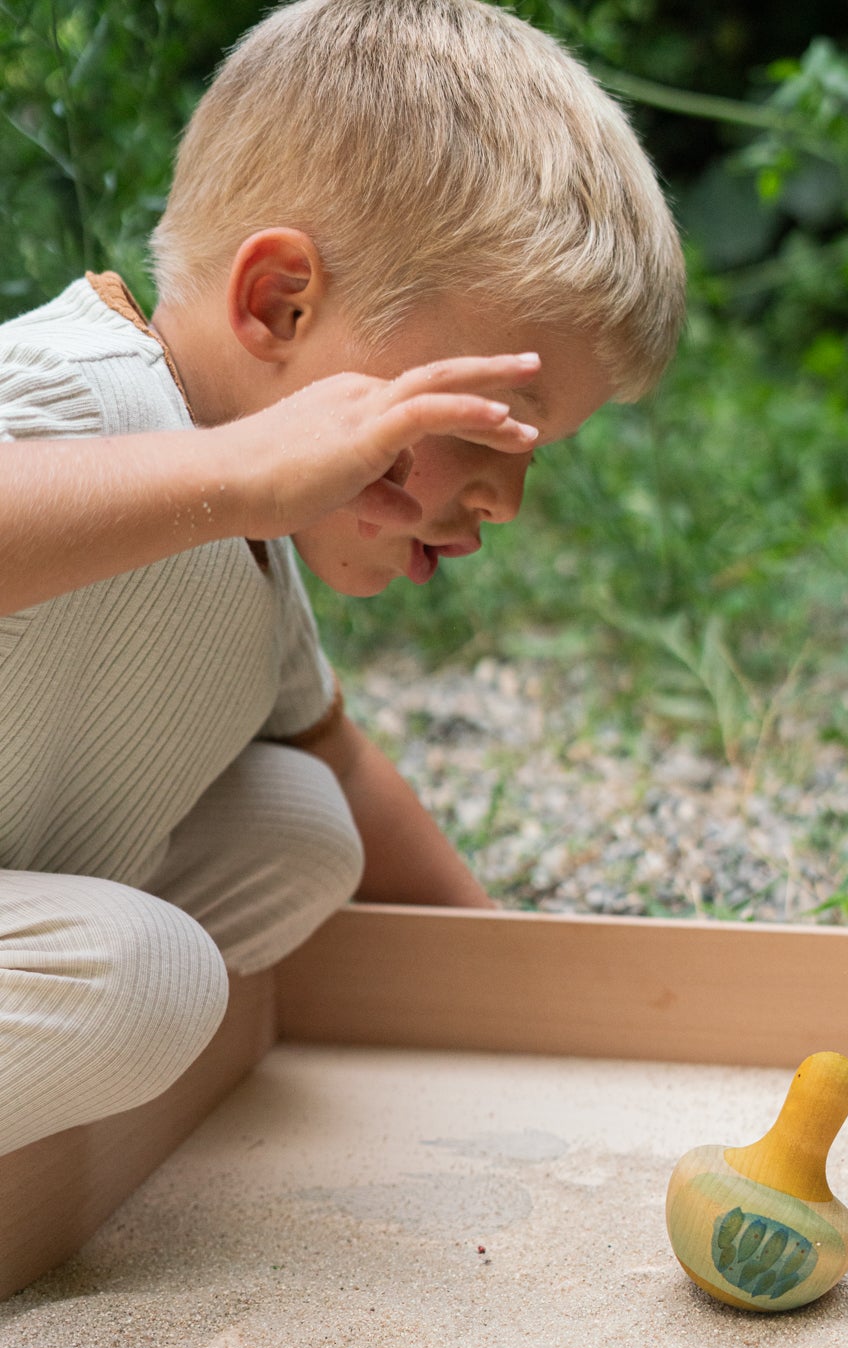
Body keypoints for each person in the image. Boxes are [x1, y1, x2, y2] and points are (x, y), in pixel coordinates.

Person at [0, 0, 685, 1156]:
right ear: (280, 303)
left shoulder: (250, 554)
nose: (502, 501)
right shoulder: (87, 391)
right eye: (484, 431)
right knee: (146, 978)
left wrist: (530, 1007)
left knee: (303, 827)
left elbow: (338, 760)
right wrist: (232, 470)